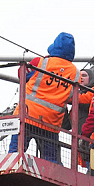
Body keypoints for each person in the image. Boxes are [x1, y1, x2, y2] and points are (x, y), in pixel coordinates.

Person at [17, 32, 77, 166]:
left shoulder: (41, 62)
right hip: (51, 122)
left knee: (15, 153)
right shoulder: (75, 73)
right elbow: (72, 98)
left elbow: (22, 75)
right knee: (51, 161)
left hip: (27, 114)